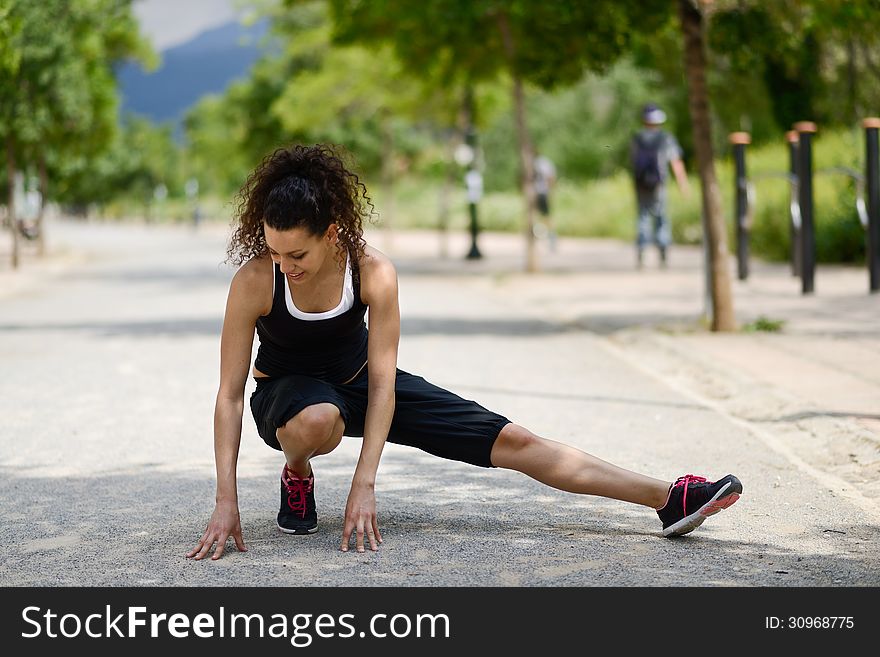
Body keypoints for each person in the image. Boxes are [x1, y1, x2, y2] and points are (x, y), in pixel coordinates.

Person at [187, 144, 741, 561]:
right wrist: (226, 498)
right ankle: (298, 472)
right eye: (275, 250)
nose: (284, 263)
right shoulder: (257, 281)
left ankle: (668, 498)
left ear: (333, 232)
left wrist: (364, 483)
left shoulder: (373, 272)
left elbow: (382, 385)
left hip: (361, 382)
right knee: (317, 418)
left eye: (297, 252)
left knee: (514, 439)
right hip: (288, 397)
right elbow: (230, 395)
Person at [630, 103, 690, 268]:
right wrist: (683, 184)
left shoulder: (637, 138)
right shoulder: (666, 138)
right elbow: (676, 162)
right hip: (659, 185)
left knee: (642, 218)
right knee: (661, 219)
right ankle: (663, 254)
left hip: (640, 185)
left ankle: (641, 252)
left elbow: (633, 163)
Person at [533, 153, 557, 250]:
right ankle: (540, 236)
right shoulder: (543, 162)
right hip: (537, 193)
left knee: (545, 216)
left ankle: (551, 238)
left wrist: (550, 191)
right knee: (539, 216)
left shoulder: (542, 162)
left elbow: (550, 178)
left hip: (541, 192)